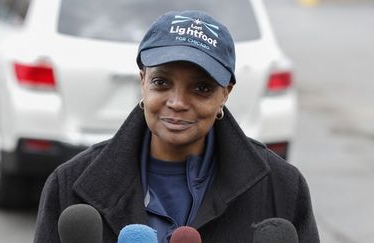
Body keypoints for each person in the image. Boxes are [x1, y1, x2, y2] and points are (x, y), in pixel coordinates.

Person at [34, 10, 319, 243]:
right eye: (161, 82)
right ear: (142, 80)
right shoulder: (70, 185)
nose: (178, 102)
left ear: (226, 93)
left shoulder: (282, 187)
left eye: (201, 88)